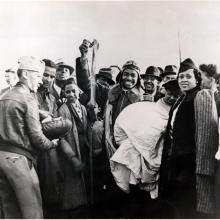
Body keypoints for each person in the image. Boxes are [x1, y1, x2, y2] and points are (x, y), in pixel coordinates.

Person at [159, 58, 218, 218]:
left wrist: (203, 173)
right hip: (176, 165)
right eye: (181, 77)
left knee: (190, 210)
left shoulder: (201, 96)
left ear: (197, 78)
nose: (183, 80)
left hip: (191, 168)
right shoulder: (181, 99)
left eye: (188, 77)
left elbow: (207, 137)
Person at [0, 56, 59, 219]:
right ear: (25, 74)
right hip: (18, 160)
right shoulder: (28, 98)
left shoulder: (3, 96)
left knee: (10, 212)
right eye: (38, 76)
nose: (40, 81)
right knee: (32, 212)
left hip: (1, 159)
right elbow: (37, 138)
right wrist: (52, 144)